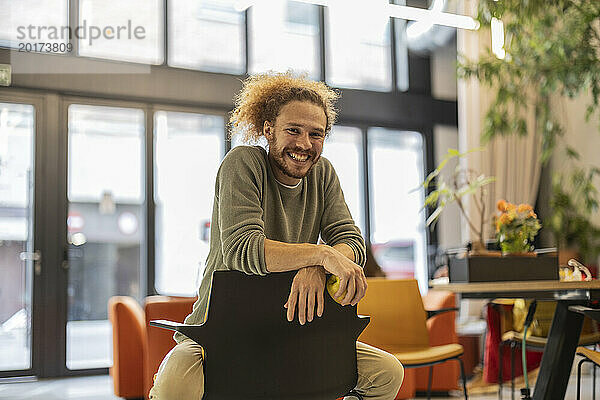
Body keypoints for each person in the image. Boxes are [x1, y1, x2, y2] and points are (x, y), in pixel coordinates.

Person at [149, 72, 404, 400]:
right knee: (173, 390)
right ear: (268, 129)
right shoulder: (243, 164)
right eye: (293, 130)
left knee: (386, 373)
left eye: (316, 134)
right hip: (220, 332)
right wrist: (321, 255)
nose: (304, 144)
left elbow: (351, 240)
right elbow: (244, 250)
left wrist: (316, 267)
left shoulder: (322, 174)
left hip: (295, 332)